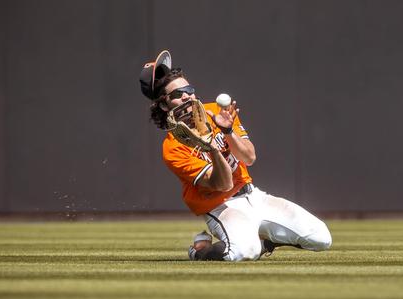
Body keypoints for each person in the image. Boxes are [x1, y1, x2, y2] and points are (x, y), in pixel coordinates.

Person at [139, 51, 332, 261]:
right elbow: (222, 184)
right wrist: (211, 148)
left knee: (321, 238)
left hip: (254, 196)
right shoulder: (172, 148)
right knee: (243, 252)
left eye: (188, 90)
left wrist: (228, 131)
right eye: (177, 94)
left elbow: (249, 157)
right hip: (221, 207)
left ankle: (264, 242)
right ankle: (200, 250)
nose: (187, 96)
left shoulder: (216, 111)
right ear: (165, 105)